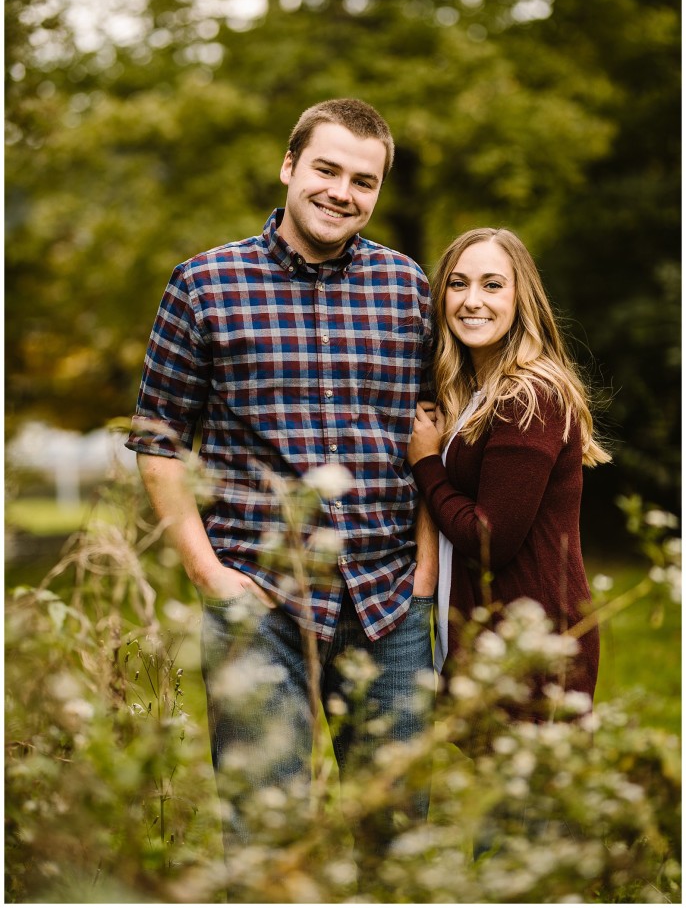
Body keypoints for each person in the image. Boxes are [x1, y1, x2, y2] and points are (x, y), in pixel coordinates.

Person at [126, 98, 437, 862]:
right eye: (326, 169)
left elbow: (433, 431)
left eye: (363, 181)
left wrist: (426, 569)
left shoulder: (408, 289)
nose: (342, 192)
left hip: (388, 602)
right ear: (289, 167)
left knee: (398, 841)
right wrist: (209, 576)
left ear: (377, 191)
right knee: (266, 841)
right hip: (259, 603)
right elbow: (158, 442)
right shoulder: (204, 284)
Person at [408, 227, 610, 711]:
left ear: (522, 297)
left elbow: (489, 540)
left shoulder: (530, 396)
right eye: (458, 284)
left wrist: (427, 462)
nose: (472, 300)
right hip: (494, 637)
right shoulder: (477, 391)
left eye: (492, 285)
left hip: (532, 645)